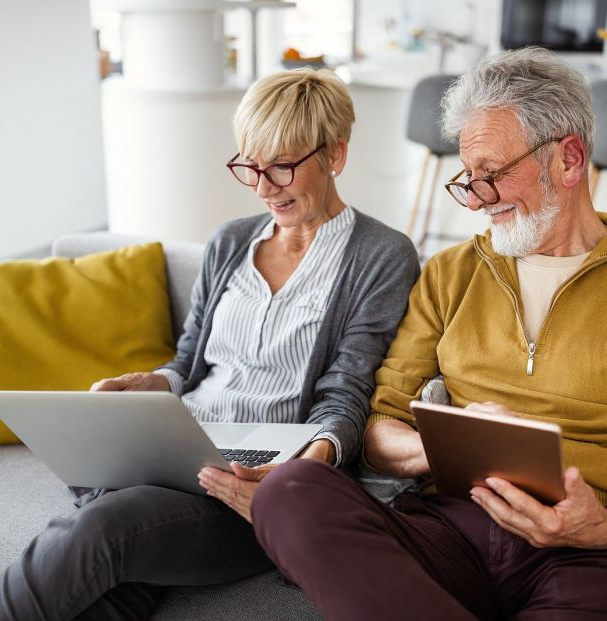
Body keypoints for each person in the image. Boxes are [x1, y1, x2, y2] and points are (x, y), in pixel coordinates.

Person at [0, 68, 419, 620]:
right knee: (117, 579)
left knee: (106, 526)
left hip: (249, 485)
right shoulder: (231, 240)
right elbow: (189, 361)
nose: (264, 187)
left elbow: (347, 391)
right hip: (176, 448)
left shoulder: (381, 255)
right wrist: (151, 383)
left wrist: (306, 472)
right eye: (250, 166)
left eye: (282, 166)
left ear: (335, 154)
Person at [252, 47, 607, 620]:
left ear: (567, 161)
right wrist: (452, 444)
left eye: (491, 175)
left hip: (584, 551)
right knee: (289, 491)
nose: (476, 200)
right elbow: (379, 427)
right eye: (468, 178)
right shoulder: (450, 272)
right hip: (454, 528)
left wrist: (599, 530)